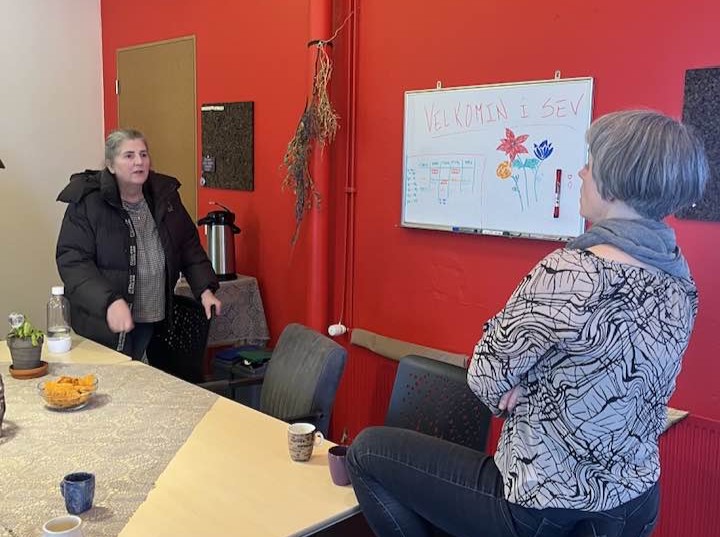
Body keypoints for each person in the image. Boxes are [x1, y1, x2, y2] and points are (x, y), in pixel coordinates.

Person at [346, 110, 709, 537]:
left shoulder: (573, 272)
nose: (581, 173)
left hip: (544, 506)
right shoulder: (679, 280)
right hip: (635, 506)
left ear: (615, 180)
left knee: (366, 453)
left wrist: (521, 391)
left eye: (590, 163)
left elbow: (486, 376)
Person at [56, 129, 222, 360]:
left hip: (154, 318)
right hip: (104, 323)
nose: (139, 162)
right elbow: (73, 262)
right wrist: (109, 302)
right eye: (129, 155)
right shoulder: (88, 202)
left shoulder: (165, 196)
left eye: (143, 154)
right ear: (110, 165)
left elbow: (188, 246)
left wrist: (205, 289)